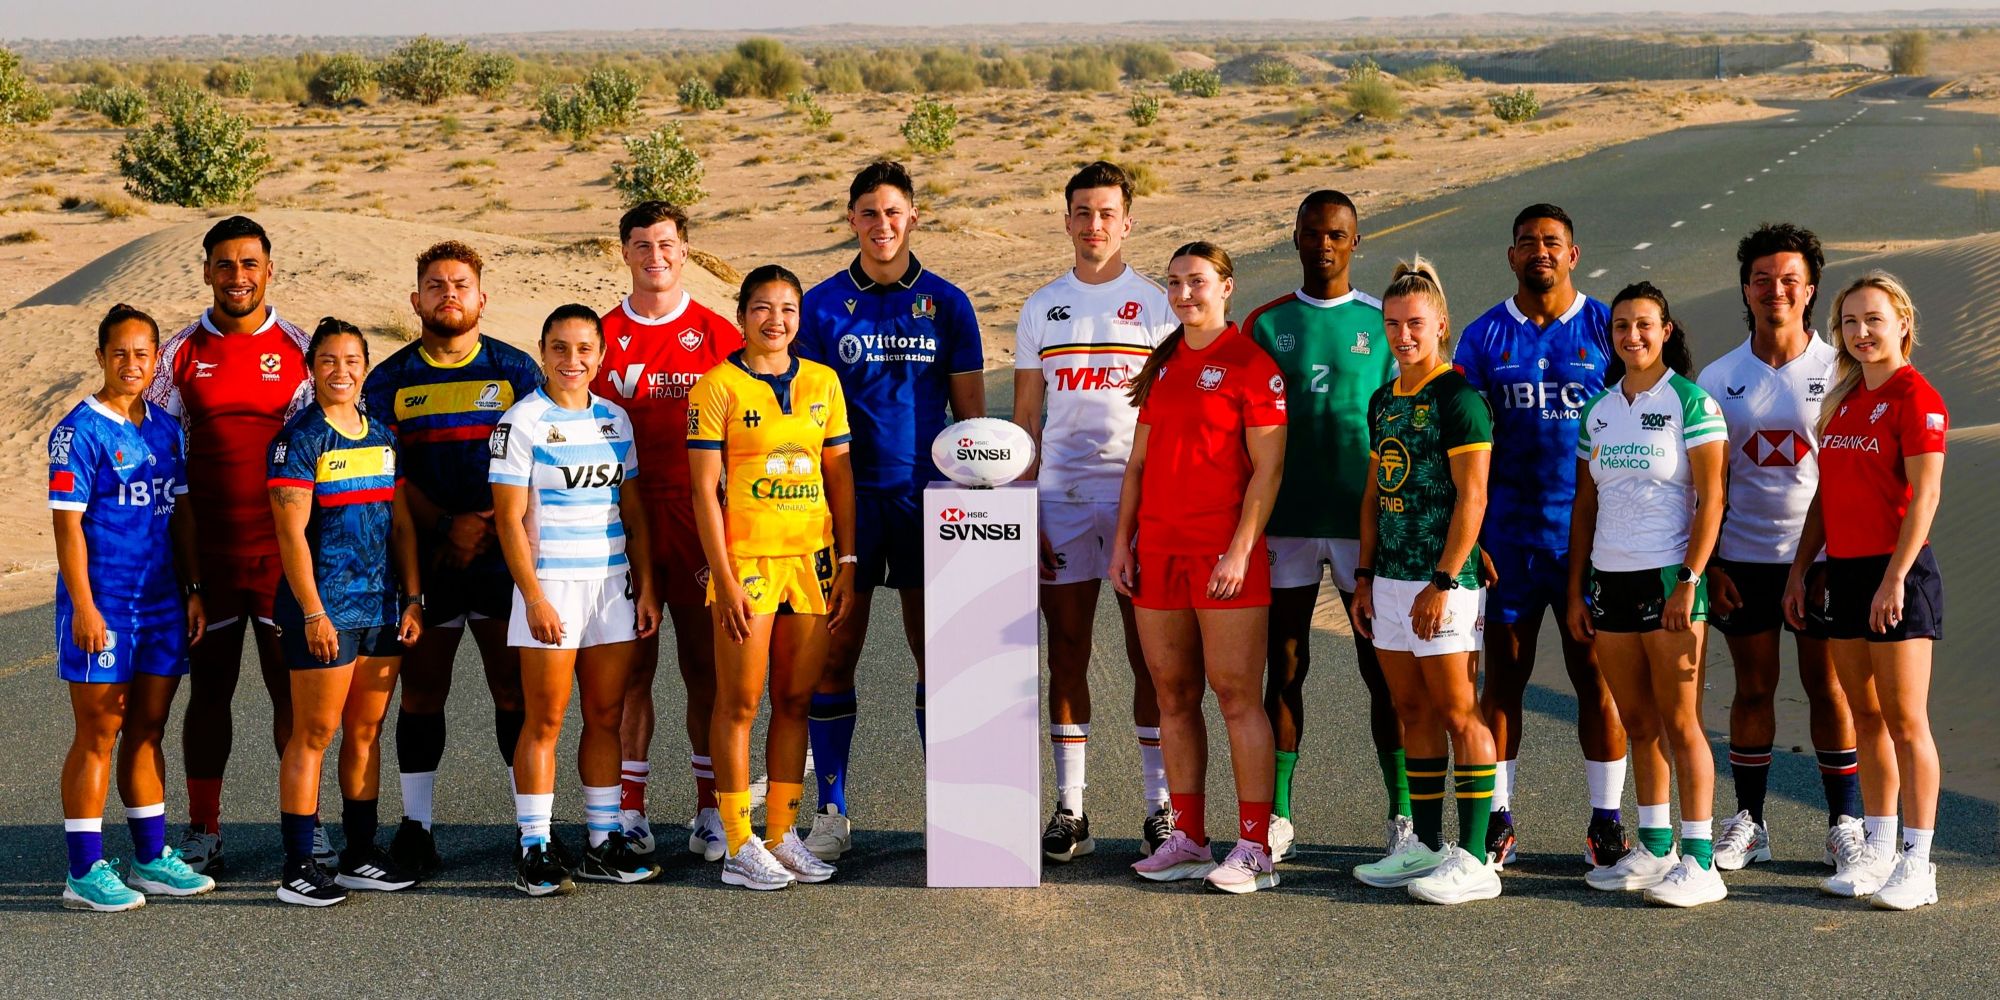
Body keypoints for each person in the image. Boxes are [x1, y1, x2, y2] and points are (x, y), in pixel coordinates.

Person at [793, 159, 985, 860]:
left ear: (913, 218)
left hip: (927, 502)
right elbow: (802, 419)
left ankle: (951, 808)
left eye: (894, 212)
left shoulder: (948, 303)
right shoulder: (819, 305)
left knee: (937, 654)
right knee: (835, 653)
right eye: (869, 213)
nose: (882, 225)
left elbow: (972, 424)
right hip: (842, 504)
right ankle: (832, 810)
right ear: (851, 220)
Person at [1454, 204, 1627, 868]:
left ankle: (1606, 822)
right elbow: (1463, 443)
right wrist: (1471, 535)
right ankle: (1498, 819)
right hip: (1507, 540)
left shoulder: (1605, 327)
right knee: (1504, 680)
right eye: (1527, 242)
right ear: (1512, 256)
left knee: (1596, 680)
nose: (1540, 252)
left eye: (1552, 242)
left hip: (1592, 541)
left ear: (1573, 254)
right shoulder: (1483, 336)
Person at [1012, 161, 1176, 862]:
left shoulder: (1158, 304)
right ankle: (1070, 807)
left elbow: (1171, 417)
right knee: (1068, 653)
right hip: (1061, 499)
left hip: (1137, 499)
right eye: (1082, 212)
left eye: (1107, 212)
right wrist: (1027, 510)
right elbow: (1025, 420)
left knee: (1152, 659)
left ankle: (1160, 808)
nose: (1094, 224)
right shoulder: (1040, 306)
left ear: (1127, 222)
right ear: (1067, 220)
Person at [363, 241, 544, 878]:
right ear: (415, 300)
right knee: (421, 693)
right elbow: (386, 471)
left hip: (500, 556)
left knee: (512, 691)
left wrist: (488, 523)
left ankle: (530, 830)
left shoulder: (515, 370)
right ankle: (416, 827)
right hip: (426, 558)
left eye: (461, 285)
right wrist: (446, 524)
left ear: (481, 298)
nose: (449, 295)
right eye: (436, 285)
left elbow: (537, 458)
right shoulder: (388, 380)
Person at [1113, 242, 1288, 895]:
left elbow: (1269, 469)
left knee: (1237, 696)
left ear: (1226, 287)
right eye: (1175, 283)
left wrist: (1241, 549)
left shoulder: (1251, 366)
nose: (1185, 293)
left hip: (1223, 555)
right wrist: (1123, 542)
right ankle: (1187, 838)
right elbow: (1137, 464)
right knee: (1173, 696)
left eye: (1198, 282)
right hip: (1159, 553)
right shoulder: (1163, 366)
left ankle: (1255, 847)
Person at [145, 216, 316, 874]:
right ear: (206, 272)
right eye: (224, 264)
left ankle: (304, 830)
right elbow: (157, 455)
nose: (237, 277)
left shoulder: (301, 349)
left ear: (269, 270)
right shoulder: (179, 354)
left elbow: (320, 450)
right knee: (209, 694)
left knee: (289, 696)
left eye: (249, 264)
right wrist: (179, 569)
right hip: (209, 559)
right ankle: (204, 829)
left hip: (282, 557)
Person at [1695, 223, 1861, 873]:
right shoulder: (1719, 377)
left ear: (1811, 289)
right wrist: (1710, 564)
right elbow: (1704, 484)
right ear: (1746, 289)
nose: (1776, 291)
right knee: (1753, 688)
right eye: (1762, 280)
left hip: (1821, 562)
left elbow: (1852, 474)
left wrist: (1831, 558)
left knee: (1828, 689)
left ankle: (1845, 823)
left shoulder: (1840, 369)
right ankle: (1750, 822)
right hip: (1743, 559)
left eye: (1790, 279)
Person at [689, 265, 858, 890]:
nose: (775, 320)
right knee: (739, 703)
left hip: (811, 560)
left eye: (788, 308)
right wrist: (724, 577)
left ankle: (782, 835)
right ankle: (739, 843)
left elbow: (839, 476)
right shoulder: (716, 386)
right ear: (741, 315)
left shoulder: (823, 381)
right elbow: (703, 492)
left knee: (795, 700)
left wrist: (848, 561)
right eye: (762, 307)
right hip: (748, 563)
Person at [1244, 189, 1400, 864]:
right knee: (1285, 666)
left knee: (1381, 669)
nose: (1324, 245)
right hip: (1287, 522)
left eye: (1337, 234)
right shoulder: (1267, 323)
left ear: (1355, 241)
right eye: (1312, 233)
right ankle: (1278, 814)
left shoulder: (1379, 322)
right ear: (1296, 238)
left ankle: (1402, 813)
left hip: (1364, 522)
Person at [1785, 271, 1948, 910]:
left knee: (1906, 720)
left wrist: (1895, 578)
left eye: (1873, 319)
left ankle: (1918, 863)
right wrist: (1801, 569)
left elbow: (1925, 496)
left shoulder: (1917, 396)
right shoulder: (1844, 399)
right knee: (1866, 714)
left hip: (1898, 572)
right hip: (1847, 573)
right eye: (1849, 322)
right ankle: (1877, 850)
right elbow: (1826, 495)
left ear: (1902, 322)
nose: (1860, 332)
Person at [1565, 284, 1730, 907]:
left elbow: (1713, 498)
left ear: (1666, 330)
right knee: (1637, 721)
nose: (1631, 336)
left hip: (1668, 578)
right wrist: (1577, 588)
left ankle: (1701, 859)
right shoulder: (1599, 409)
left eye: (1644, 325)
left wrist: (1690, 578)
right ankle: (1656, 847)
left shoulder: (1691, 402)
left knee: (1682, 722)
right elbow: (1586, 504)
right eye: (1621, 326)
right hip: (1610, 578)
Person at [491, 305, 662, 895]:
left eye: (584, 348)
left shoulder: (616, 418)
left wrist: (647, 585)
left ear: (601, 355)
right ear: (542, 352)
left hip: (611, 586)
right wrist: (533, 597)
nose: (572, 360)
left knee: (606, 716)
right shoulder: (521, 422)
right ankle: (534, 846)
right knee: (545, 720)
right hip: (552, 588)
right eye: (560, 348)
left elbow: (632, 511)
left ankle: (602, 840)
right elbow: (508, 522)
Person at [592, 201, 745, 860]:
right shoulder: (599, 337)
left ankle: (711, 808)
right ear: (624, 253)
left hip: (699, 518)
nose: (655, 257)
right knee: (631, 673)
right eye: (642, 245)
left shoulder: (719, 335)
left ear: (685, 251)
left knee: (705, 668)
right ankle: (630, 810)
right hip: (622, 520)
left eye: (666, 245)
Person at [52, 304, 215, 910]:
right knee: (99, 731)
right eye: (119, 352)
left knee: (148, 729)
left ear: (155, 360)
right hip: (105, 604)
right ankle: (83, 872)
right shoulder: (78, 431)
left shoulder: (166, 428)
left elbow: (182, 514)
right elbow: (67, 527)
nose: (130, 363)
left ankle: (149, 858)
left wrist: (192, 588)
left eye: (142, 353)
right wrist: (85, 607)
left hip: (162, 603)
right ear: (100, 356)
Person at [1350, 257, 1502, 905]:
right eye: (1392, 324)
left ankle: (1475, 858)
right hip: (1387, 579)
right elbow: (1373, 493)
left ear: (1440, 324)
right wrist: (1363, 576)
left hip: (1443, 582)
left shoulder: (1459, 400)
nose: (1403, 335)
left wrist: (1442, 581)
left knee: (1459, 712)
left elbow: (1474, 498)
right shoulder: (1384, 400)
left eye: (1415, 323)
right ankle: (1426, 846)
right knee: (1410, 710)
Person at [267, 318, 425, 906]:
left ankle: (360, 854)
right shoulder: (299, 439)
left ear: (365, 367)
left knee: (366, 731)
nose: (341, 371)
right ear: (312, 368)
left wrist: (413, 598)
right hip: (324, 610)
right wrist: (313, 612)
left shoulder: (381, 435)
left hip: (380, 607)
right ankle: (298, 866)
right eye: (329, 360)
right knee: (314, 734)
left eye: (352, 360)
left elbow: (401, 525)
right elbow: (290, 535)